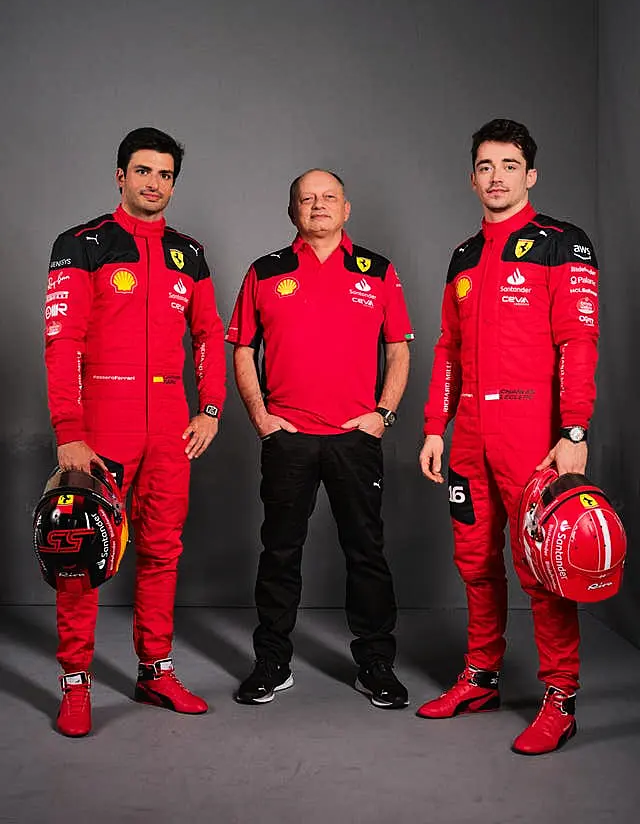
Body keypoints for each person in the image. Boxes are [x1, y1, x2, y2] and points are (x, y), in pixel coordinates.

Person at [417, 119, 599, 755]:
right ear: (473, 177)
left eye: (508, 164)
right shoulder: (464, 257)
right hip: (468, 432)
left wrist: (574, 430)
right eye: (485, 166)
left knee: (543, 568)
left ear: (531, 174)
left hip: (533, 433)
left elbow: (579, 342)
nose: (496, 176)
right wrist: (434, 427)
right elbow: (447, 349)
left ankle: (560, 697)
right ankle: (481, 676)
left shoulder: (563, 244)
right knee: (474, 562)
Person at [44, 127, 226, 736]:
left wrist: (211, 408)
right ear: (120, 175)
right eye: (143, 171)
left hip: (170, 425)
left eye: (166, 175)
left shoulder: (189, 254)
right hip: (101, 425)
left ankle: (155, 670)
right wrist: (70, 429)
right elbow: (61, 340)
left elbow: (208, 335)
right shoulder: (81, 244)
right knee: (78, 553)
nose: (155, 184)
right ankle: (75, 683)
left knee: (162, 551)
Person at [226, 169, 414, 709]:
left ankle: (376, 664)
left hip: (356, 438)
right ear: (293, 212)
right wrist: (262, 417)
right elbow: (241, 348)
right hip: (289, 438)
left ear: (346, 209)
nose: (318, 205)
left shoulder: (376, 271)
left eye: (329, 197)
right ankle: (271, 662)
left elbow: (399, 347)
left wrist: (384, 413)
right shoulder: (266, 271)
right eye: (307, 199)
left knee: (367, 554)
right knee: (280, 553)